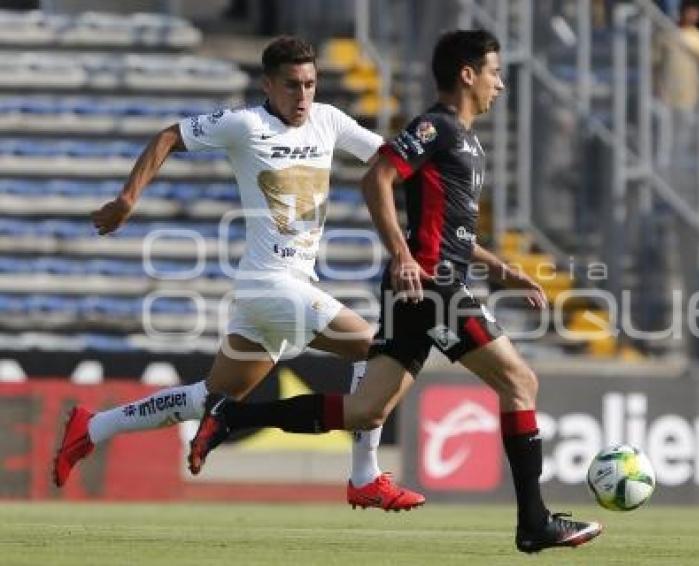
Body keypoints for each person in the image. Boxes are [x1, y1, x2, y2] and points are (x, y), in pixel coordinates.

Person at [188, 29, 603, 553]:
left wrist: (503, 269)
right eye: (495, 72)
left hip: (428, 282)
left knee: (365, 411)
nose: (501, 84)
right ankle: (534, 522)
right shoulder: (436, 127)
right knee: (519, 381)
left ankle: (232, 415)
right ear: (467, 74)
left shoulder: (468, 141)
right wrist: (404, 257)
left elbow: (452, 232)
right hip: (431, 284)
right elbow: (376, 179)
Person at [51, 35, 424, 512]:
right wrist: (128, 198)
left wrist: (435, 151)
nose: (303, 95)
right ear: (268, 84)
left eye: (310, 84)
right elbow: (169, 136)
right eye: (292, 85)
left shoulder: (329, 120)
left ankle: (93, 426)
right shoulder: (244, 125)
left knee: (207, 399)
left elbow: (391, 161)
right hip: (271, 285)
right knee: (376, 350)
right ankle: (364, 475)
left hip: (280, 294)